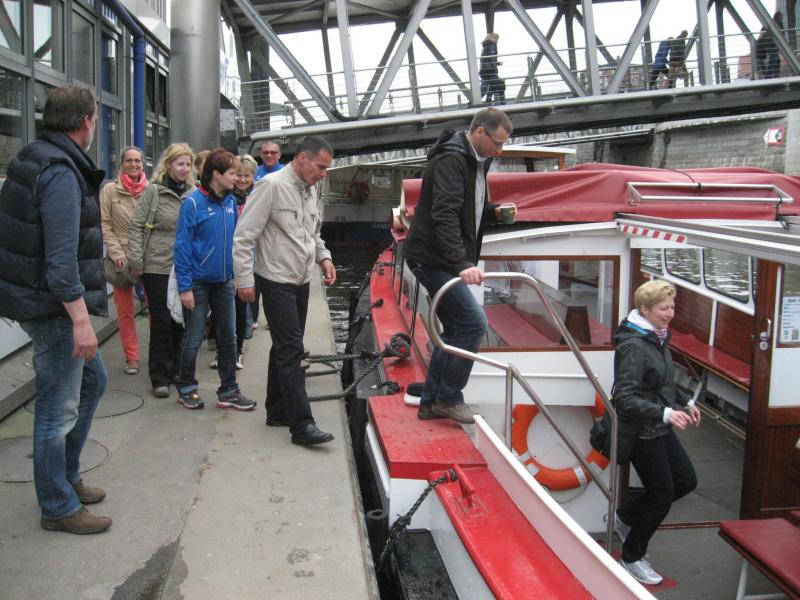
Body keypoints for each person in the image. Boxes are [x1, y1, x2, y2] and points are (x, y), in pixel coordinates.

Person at [0, 85, 111, 534]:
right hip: (55, 308)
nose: (95, 124)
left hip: (42, 301)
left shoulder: (36, 155)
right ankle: (58, 505)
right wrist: (81, 321)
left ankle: (65, 478)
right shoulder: (61, 172)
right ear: (85, 121)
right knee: (57, 406)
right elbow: (61, 262)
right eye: (96, 118)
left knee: (93, 382)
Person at [403, 108, 514, 424]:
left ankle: (432, 402)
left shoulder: (477, 158)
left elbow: (467, 204)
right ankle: (449, 398)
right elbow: (445, 214)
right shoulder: (452, 159)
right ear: (479, 132)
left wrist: (492, 211)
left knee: (455, 328)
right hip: (432, 257)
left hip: (442, 256)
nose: (499, 151)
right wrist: (461, 262)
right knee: (472, 323)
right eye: (497, 143)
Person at [233, 136, 336, 446]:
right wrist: (244, 279)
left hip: (301, 279)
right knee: (291, 349)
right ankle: (302, 425)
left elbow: (313, 232)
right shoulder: (271, 186)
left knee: (284, 346)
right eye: (321, 167)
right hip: (276, 279)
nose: (323, 174)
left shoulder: (310, 188)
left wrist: (324, 257)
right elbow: (244, 237)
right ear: (302, 158)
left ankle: (277, 410)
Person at [612, 279, 700, 586]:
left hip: (659, 426)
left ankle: (625, 517)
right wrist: (665, 412)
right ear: (645, 310)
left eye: (672, 307)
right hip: (641, 432)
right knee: (661, 495)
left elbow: (662, 381)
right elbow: (624, 398)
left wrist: (686, 402)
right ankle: (632, 557)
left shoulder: (657, 336)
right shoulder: (634, 345)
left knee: (686, 481)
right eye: (664, 308)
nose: (670, 313)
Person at [173, 148, 256, 412]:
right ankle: (186, 388)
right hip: (198, 282)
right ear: (217, 174)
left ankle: (229, 390)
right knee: (194, 336)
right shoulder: (192, 203)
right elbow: (182, 247)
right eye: (232, 173)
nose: (237, 178)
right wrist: (185, 287)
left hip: (224, 282)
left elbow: (235, 241)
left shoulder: (230, 202)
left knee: (229, 336)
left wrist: (235, 275)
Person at [128, 143, 194, 398]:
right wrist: (136, 261)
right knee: (162, 322)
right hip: (157, 266)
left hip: (184, 268)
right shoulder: (154, 192)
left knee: (181, 321)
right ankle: (160, 377)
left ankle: (177, 370)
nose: (184, 169)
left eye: (188, 164)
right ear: (168, 165)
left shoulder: (193, 193)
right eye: (180, 164)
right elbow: (135, 226)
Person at [100, 146, 147, 376]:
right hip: (121, 259)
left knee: (158, 309)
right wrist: (117, 253)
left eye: (137, 160)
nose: (133, 164)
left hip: (148, 257)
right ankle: (132, 357)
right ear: (121, 164)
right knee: (125, 312)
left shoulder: (151, 189)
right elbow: (104, 224)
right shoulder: (110, 190)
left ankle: (160, 356)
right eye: (129, 160)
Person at [479, 33, 505, 104]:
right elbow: (492, 58)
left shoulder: (485, 46)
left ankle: (473, 102)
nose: (497, 40)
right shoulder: (492, 45)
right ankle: (503, 104)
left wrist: (497, 63)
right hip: (490, 71)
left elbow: (485, 59)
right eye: (497, 38)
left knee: (485, 89)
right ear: (494, 38)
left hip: (484, 70)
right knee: (500, 87)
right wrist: (495, 68)